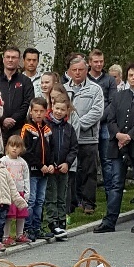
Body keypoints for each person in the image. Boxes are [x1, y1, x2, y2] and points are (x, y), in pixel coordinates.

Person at [97, 62, 134, 234]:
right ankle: (109, 221)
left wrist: (130, 136)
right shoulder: (118, 96)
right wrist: (118, 135)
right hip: (118, 144)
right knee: (116, 183)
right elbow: (110, 118)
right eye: (131, 75)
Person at [65, 54, 104, 214]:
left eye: (80, 69)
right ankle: (72, 202)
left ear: (86, 70)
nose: (77, 73)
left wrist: (77, 124)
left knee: (89, 171)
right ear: (69, 71)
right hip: (69, 138)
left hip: (88, 137)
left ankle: (88, 203)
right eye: (74, 70)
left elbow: (97, 111)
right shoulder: (63, 89)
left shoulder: (95, 89)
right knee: (71, 172)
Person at [42, 92, 77, 242]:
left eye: (63, 109)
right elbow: (45, 147)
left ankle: (62, 221)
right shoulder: (46, 126)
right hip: (51, 168)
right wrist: (49, 163)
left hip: (63, 168)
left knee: (62, 196)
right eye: (57, 108)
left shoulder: (69, 128)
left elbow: (74, 148)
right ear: (52, 107)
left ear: (67, 111)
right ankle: (52, 222)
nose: (59, 112)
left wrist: (68, 163)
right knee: (51, 196)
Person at [0, 47, 35, 146]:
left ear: (19, 60)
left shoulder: (26, 81)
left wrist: (14, 119)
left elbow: (28, 102)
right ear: (3, 59)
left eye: (14, 57)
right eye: (8, 57)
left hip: (19, 128)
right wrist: (3, 119)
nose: (10, 60)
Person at [20, 96, 49, 241]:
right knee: (30, 200)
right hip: (32, 171)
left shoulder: (47, 129)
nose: (38, 114)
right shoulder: (27, 129)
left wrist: (50, 164)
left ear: (46, 112)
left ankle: (37, 227)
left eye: (41, 111)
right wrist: (40, 165)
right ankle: (27, 228)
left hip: (44, 172)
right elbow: (26, 151)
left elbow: (51, 149)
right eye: (35, 111)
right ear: (30, 112)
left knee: (40, 200)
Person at [89, 48, 115, 198]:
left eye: (101, 61)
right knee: (89, 161)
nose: (99, 64)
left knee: (106, 159)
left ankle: (110, 193)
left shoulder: (109, 80)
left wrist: (99, 117)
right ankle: (87, 195)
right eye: (96, 61)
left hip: (104, 124)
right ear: (90, 62)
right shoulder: (85, 79)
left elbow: (112, 102)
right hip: (88, 125)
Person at [0, 134, 31, 244]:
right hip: (8, 193)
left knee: (21, 214)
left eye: (17, 147)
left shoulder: (23, 162)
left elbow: (26, 177)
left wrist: (27, 192)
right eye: (12, 146)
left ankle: (20, 234)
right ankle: (5, 236)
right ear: (7, 147)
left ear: (21, 149)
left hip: (20, 192)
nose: (14, 149)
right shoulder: (3, 161)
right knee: (8, 215)